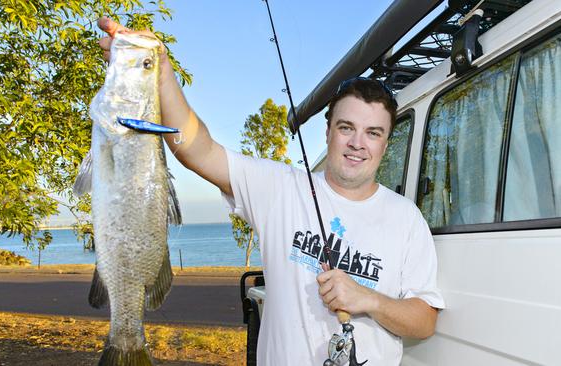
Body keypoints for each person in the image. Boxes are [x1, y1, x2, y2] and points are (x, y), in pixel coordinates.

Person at [97, 17, 444, 365]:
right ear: (327, 133)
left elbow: (425, 320)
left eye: (373, 133)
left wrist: (369, 299)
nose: (357, 143)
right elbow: (196, 149)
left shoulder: (406, 218)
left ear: (386, 142)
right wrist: (158, 70)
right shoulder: (280, 188)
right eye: (346, 127)